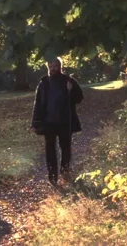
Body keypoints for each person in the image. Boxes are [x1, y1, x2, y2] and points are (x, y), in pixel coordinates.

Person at [30, 57, 84, 185]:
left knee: (65, 148)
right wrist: (35, 123)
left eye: (55, 66)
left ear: (60, 66)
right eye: (51, 66)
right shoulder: (44, 83)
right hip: (48, 122)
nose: (53, 69)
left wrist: (72, 90)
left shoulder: (68, 81)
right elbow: (37, 104)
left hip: (65, 121)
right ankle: (52, 176)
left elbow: (79, 98)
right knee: (50, 150)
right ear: (47, 67)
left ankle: (65, 171)